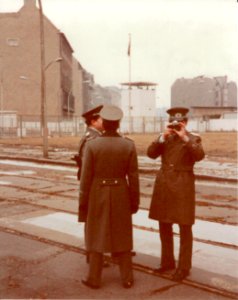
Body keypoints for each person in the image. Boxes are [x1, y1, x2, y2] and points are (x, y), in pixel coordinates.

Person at [78, 105, 140, 289]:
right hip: (121, 192)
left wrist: (83, 202)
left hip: (98, 193)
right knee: (123, 235)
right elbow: (134, 177)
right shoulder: (128, 145)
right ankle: (127, 278)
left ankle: (94, 279)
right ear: (119, 124)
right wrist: (134, 202)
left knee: (97, 234)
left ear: (103, 123)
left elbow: (85, 178)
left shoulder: (92, 145)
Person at [147, 107, 205, 281]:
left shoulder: (193, 138)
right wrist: (161, 137)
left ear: (186, 123)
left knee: (184, 227)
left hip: (183, 187)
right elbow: (151, 154)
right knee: (164, 225)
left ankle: (184, 267)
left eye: (180, 123)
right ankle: (167, 262)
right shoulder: (165, 138)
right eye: (173, 123)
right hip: (164, 185)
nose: (176, 126)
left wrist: (184, 137)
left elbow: (199, 155)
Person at [73, 105, 104, 181]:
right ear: (93, 122)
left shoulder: (93, 136)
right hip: (94, 180)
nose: (105, 122)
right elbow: (88, 164)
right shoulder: (94, 138)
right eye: (102, 119)